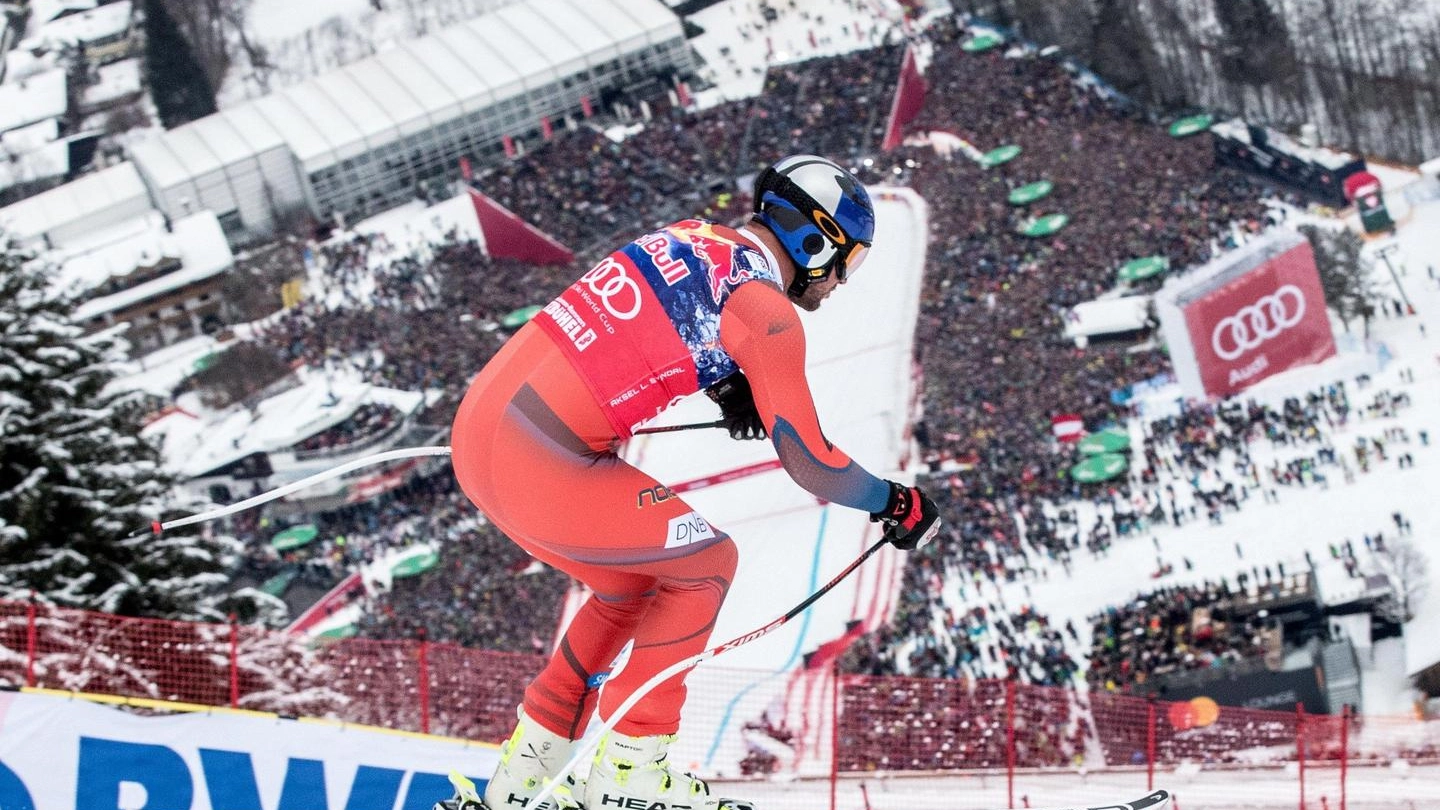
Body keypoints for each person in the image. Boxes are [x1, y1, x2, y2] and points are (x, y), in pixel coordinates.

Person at [447, 154, 941, 810]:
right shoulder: (767, 312)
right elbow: (810, 461)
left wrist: (731, 384)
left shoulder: (695, 236)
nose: (842, 281)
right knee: (707, 561)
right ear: (816, 240)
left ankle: (522, 782)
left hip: (483, 432)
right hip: (541, 455)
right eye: (847, 262)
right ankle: (629, 774)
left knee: (629, 588)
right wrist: (894, 502)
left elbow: (662, 318)